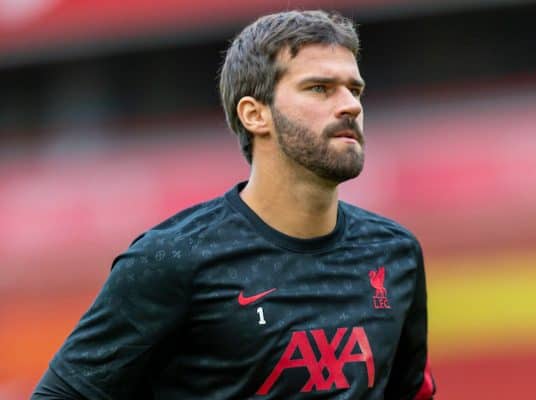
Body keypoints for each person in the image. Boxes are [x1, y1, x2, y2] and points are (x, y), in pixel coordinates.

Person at [32, 10, 436, 400]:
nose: (350, 105)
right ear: (255, 115)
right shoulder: (173, 259)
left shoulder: (394, 253)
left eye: (355, 89)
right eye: (320, 88)